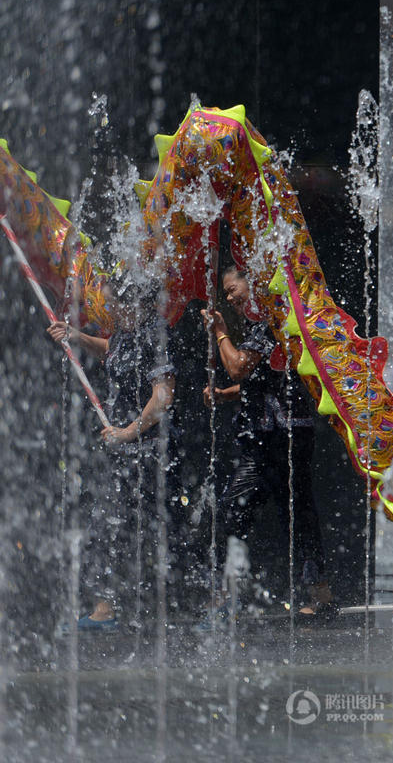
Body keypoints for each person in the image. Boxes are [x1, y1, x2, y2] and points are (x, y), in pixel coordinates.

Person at [48, 276, 181, 631]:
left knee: (124, 525)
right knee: (113, 525)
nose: (107, 309)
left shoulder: (155, 336)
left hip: (151, 451)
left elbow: (163, 396)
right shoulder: (124, 332)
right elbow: (111, 350)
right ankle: (110, 607)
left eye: (113, 303)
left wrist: (126, 432)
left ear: (134, 303)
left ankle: (114, 609)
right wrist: (76, 337)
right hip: (128, 453)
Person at [202, 267, 333, 620]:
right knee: (246, 512)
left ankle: (315, 595)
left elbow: (239, 367)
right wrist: (225, 395)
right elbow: (258, 381)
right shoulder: (263, 324)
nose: (230, 298)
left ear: (253, 283)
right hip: (267, 434)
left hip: (283, 436)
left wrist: (219, 333)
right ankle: (231, 594)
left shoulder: (270, 322)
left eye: (233, 290)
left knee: (284, 513)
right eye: (226, 294)